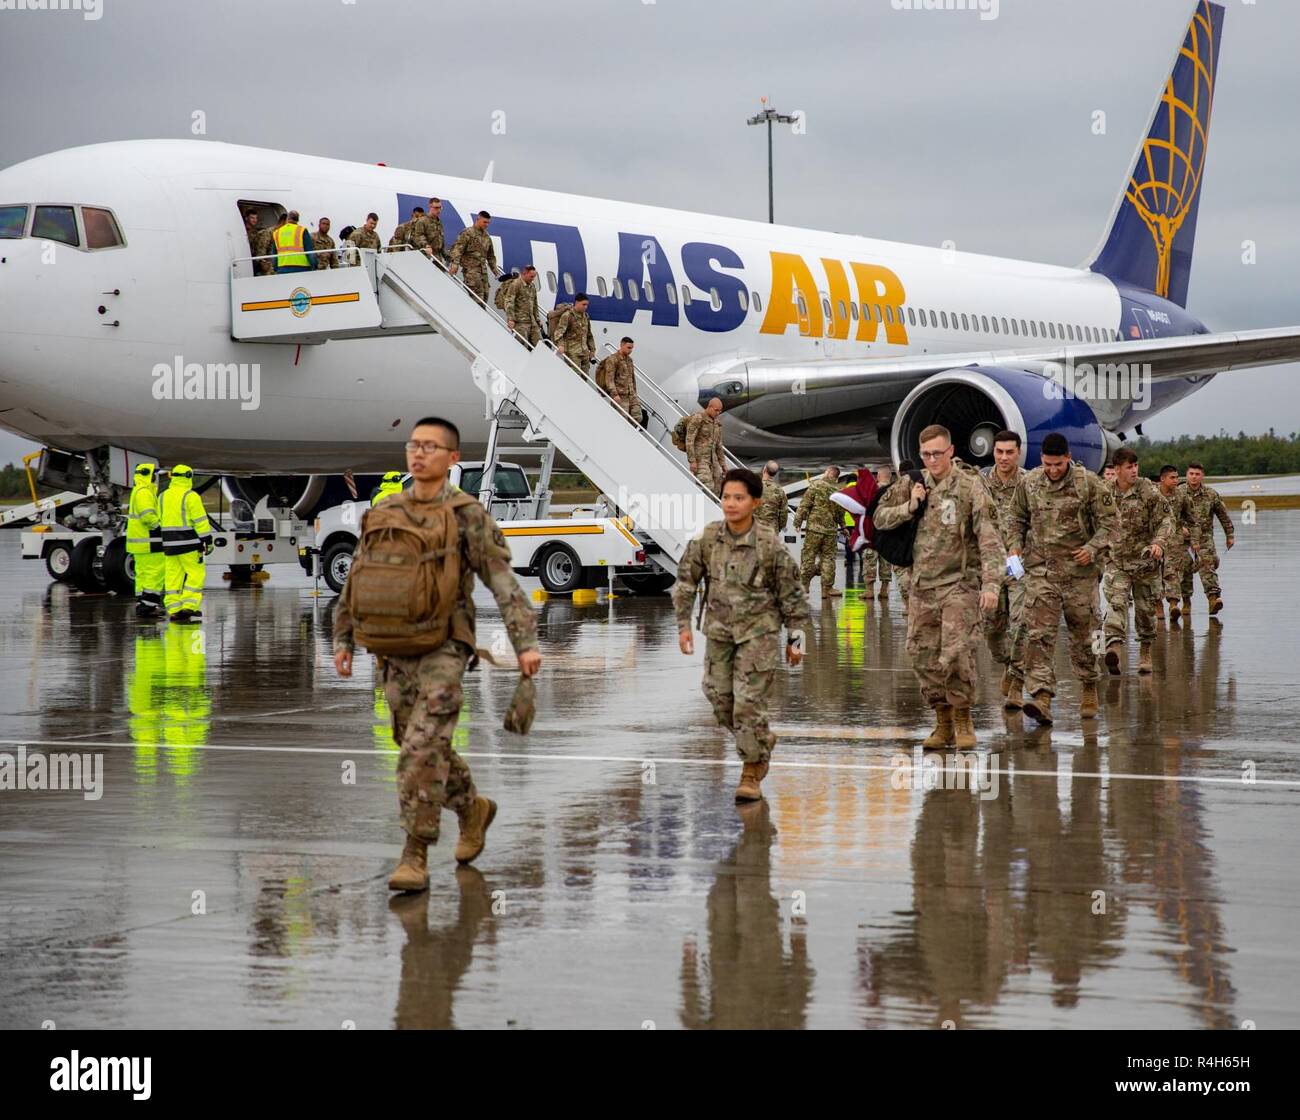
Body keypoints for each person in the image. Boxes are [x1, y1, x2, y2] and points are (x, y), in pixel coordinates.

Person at [333, 417, 541, 893]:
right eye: (413, 445)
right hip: (392, 652)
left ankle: (415, 854)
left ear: (451, 459)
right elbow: (357, 578)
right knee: (423, 746)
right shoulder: (384, 511)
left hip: (445, 649)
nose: (418, 453)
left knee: (419, 752)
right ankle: (473, 809)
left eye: (430, 446)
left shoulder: (467, 514)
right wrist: (343, 638)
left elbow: (502, 581)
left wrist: (525, 644)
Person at [673, 467, 810, 802]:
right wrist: (683, 625)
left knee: (747, 705)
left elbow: (793, 595)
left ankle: (751, 772)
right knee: (719, 699)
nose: (730, 504)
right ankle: (761, 741)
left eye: (739, 498)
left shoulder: (769, 545)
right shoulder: (708, 538)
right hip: (719, 634)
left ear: (755, 502)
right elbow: (686, 580)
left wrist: (796, 640)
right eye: (726, 497)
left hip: (758, 635)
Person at [874, 426, 1004, 749]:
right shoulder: (911, 484)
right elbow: (878, 519)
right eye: (926, 454)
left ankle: (962, 718)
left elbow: (990, 539)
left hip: (958, 585)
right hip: (921, 585)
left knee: (957, 653)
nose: (932, 460)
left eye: (937, 453)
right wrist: (910, 507)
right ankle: (942, 720)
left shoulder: (970, 488)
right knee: (922, 655)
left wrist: (991, 585)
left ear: (950, 451)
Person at [1006, 432, 1117, 725]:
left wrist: (1092, 549)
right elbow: (1016, 517)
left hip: (1079, 575)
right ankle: (1041, 698)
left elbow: (1111, 524)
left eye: (1058, 464)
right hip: (1042, 572)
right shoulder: (1030, 483)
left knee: (1086, 635)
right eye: (1048, 464)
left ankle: (1090, 685)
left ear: (1068, 457)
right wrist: (1014, 545)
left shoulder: (1088, 483)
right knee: (1039, 637)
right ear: (1041, 460)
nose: (1053, 470)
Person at [1103, 447, 1175, 675]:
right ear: (1116, 470)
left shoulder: (1147, 490)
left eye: (1136, 466)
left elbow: (1166, 518)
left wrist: (1159, 543)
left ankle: (1145, 651)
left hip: (1145, 563)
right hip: (1117, 562)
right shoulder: (1105, 492)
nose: (1134, 470)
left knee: (1145, 613)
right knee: (1116, 604)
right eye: (1128, 467)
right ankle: (1113, 647)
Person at [981, 429, 1028, 709]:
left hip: (1022, 567)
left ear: (1018, 453)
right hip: (990, 567)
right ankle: (1008, 665)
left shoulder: (1030, 483)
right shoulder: (982, 485)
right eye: (999, 452)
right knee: (992, 630)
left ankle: (1018, 682)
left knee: (1021, 623)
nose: (1004, 457)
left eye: (1009, 452)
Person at [1180, 461, 1235, 616]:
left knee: (1207, 566)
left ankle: (1213, 599)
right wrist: (1179, 528)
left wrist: (1229, 535)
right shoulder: (1179, 493)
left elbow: (1223, 516)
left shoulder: (1211, 494)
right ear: (1187, 475)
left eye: (1197, 474)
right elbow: (1169, 515)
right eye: (1191, 474)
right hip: (1184, 540)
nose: (1194, 477)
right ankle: (1186, 602)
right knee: (1184, 572)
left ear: (1202, 476)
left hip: (1204, 539)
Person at [160, 464, 213, 623]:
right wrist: (207, 541)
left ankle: (174, 609)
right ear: (188, 477)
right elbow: (201, 521)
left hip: (169, 544)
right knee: (195, 574)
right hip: (189, 543)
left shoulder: (163, 496)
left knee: (172, 577)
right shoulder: (190, 496)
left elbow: (159, 518)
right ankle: (189, 605)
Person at [794, 467, 843, 598]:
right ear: (836, 477)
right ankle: (826, 590)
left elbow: (805, 505)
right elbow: (840, 513)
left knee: (808, 557)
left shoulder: (816, 485)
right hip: (831, 531)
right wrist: (843, 527)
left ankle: (804, 586)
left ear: (828, 473)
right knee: (828, 559)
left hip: (814, 529)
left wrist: (797, 522)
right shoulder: (838, 491)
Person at [125, 462, 164, 618]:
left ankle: (142, 603)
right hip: (148, 541)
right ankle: (148, 606)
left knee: (142, 575)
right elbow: (147, 515)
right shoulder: (144, 492)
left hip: (139, 542)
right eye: (154, 474)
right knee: (155, 573)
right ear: (149, 474)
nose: (156, 477)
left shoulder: (138, 491)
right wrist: (160, 527)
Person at [1157, 464, 1190, 621]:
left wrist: (1192, 536)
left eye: (1177, 477)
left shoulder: (1181, 495)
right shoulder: (1152, 494)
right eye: (1172, 478)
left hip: (1174, 541)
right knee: (1154, 574)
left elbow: (1191, 517)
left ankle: (1173, 605)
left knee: (1172, 573)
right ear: (1162, 479)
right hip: (1154, 540)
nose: (1176, 480)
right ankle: (1158, 606)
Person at [859, 465, 895, 600]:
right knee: (886, 560)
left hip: (873, 532)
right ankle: (884, 590)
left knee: (870, 559)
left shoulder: (872, 490)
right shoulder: (896, 490)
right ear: (890, 477)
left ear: (878, 477)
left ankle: (869, 591)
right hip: (889, 532)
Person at [447, 210, 497, 302]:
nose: (486, 225)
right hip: (471, 271)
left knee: (485, 297)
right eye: (484, 222)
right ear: (477, 219)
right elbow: (457, 249)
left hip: (483, 273)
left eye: (488, 223)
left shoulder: (486, 236)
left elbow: (490, 256)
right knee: (477, 299)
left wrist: (495, 270)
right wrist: (455, 264)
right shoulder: (467, 233)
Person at [685, 398, 726, 495]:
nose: (718, 413)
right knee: (708, 487)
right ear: (709, 407)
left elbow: (719, 446)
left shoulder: (716, 423)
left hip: (713, 461)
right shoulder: (698, 418)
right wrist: (692, 461)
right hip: (700, 460)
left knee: (717, 490)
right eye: (716, 410)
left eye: (720, 411)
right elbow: (689, 440)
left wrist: (723, 465)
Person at [595, 337, 640, 423]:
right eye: (629, 348)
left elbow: (632, 378)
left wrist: (635, 393)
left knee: (637, 417)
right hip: (620, 396)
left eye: (632, 348)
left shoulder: (629, 360)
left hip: (631, 395)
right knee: (622, 420)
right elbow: (609, 379)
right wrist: (615, 394)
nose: (631, 350)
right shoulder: (613, 359)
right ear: (621, 345)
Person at [552, 293, 596, 372]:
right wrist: (561, 345)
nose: (586, 307)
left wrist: (592, 350)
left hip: (585, 353)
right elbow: (559, 332)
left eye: (587, 305)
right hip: (573, 354)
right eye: (584, 304)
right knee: (574, 377)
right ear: (577, 303)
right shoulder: (568, 316)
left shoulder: (586, 316)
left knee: (585, 378)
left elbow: (589, 335)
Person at [503, 264, 542, 347]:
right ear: (525, 273)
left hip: (532, 321)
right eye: (531, 277)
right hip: (520, 322)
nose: (533, 279)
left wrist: (538, 319)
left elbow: (535, 304)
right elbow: (509, 302)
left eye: (534, 277)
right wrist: (511, 319)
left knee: (539, 344)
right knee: (521, 345)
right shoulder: (516, 284)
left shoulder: (532, 286)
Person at [273, 209, 314, 274]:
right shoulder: (302, 230)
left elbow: (274, 255)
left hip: (282, 268)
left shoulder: (277, 232)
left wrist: (276, 268)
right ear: (298, 220)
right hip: (301, 267)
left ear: (287, 219)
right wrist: (314, 266)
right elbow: (309, 252)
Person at [755, 461, 788, 533]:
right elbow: (784, 512)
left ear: (764, 469)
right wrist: (780, 526)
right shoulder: (779, 490)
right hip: (772, 529)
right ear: (775, 473)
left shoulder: (754, 487)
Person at [411, 197, 446, 263]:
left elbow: (441, 240)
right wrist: (426, 245)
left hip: (437, 258)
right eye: (436, 208)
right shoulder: (422, 221)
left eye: (440, 207)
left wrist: (447, 256)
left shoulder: (439, 222)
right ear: (430, 207)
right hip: (426, 256)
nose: (439, 210)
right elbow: (419, 236)